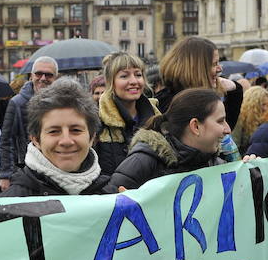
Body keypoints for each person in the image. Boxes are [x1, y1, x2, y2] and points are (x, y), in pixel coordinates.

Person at [106, 89, 236, 192]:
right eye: (220, 121)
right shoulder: (143, 161)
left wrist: (251, 172)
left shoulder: (216, 164)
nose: (227, 129)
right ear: (195, 126)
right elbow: (105, 209)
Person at [2, 78, 108, 197]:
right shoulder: (7, 205)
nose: (66, 141)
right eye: (54, 131)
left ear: (92, 138)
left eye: (76, 130)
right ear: (36, 139)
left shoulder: (112, 197)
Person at [157, 36, 240, 161]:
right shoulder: (170, 104)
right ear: (197, 68)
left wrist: (236, 88)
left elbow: (224, 128)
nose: (220, 69)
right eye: (214, 64)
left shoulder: (200, 100)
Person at [0, 56, 59, 191]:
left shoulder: (63, 103)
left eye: (48, 74)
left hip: (56, 171)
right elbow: (6, 141)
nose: (43, 78)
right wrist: (6, 175)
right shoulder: (17, 103)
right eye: (38, 73)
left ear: (56, 78)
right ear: (31, 76)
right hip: (25, 171)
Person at [94, 51, 160, 175]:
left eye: (138, 75)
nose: (134, 81)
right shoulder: (97, 122)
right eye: (124, 76)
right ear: (111, 82)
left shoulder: (158, 120)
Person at [230, 86, 268, 155]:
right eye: (263, 104)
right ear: (253, 105)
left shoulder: (266, 119)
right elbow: (234, 146)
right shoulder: (240, 118)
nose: (266, 108)